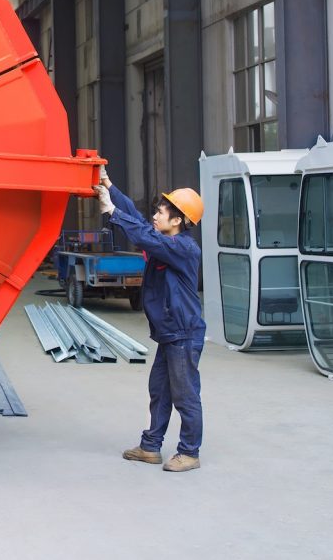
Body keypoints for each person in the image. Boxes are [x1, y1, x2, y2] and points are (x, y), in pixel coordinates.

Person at [93, 167, 206, 473]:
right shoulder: (164, 240)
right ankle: (150, 446)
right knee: (159, 391)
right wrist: (109, 185)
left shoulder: (182, 248)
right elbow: (137, 220)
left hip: (183, 334)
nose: (155, 216)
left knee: (185, 395)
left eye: (161, 212)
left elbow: (142, 233)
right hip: (170, 333)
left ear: (178, 220)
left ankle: (190, 452)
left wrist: (112, 212)